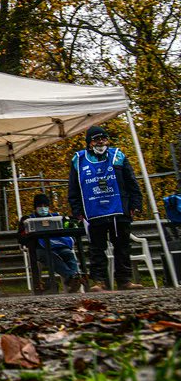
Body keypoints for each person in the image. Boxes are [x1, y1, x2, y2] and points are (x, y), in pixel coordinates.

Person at [68, 125, 144, 292]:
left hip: (119, 209)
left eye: (103, 138)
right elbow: (73, 188)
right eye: (96, 139)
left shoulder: (118, 156)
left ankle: (124, 280)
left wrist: (135, 204)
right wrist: (77, 210)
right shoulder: (78, 160)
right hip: (94, 211)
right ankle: (99, 281)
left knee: (122, 246)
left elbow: (131, 181)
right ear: (89, 143)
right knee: (96, 248)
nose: (101, 142)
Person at [18, 193, 82, 293]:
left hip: (60, 245)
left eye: (45, 206)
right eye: (40, 206)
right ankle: (72, 278)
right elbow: (21, 238)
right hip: (40, 248)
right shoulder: (28, 220)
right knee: (50, 257)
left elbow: (70, 227)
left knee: (69, 255)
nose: (43, 208)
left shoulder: (57, 217)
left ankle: (73, 280)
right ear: (35, 207)